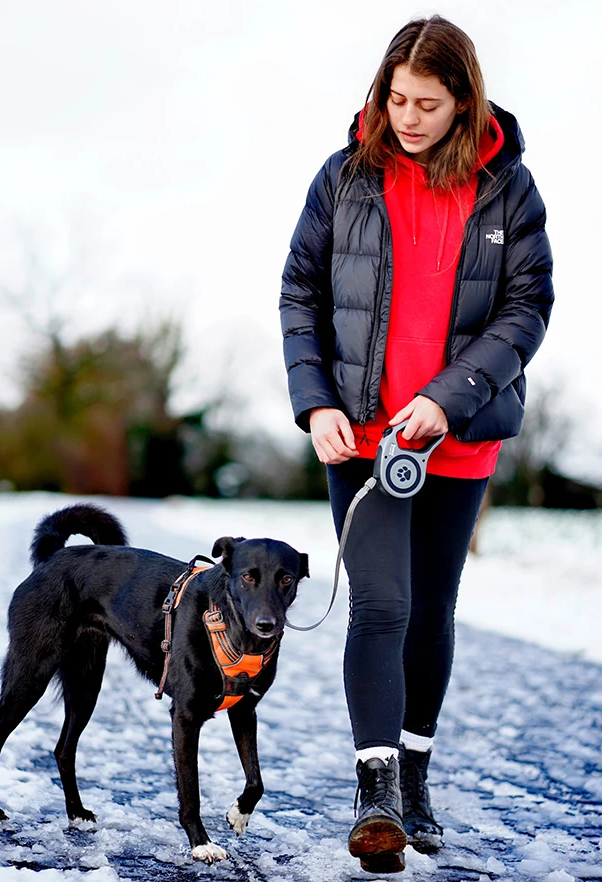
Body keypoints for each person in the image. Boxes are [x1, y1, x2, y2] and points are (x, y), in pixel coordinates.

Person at [279, 15, 553, 873]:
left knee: (432, 610)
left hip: (458, 439)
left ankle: (417, 773)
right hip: (359, 439)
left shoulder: (510, 188)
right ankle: (378, 797)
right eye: (396, 98)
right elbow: (300, 294)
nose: (407, 116)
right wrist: (315, 401)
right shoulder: (344, 178)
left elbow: (527, 309)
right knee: (382, 606)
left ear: (464, 100)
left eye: (427, 103)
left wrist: (448, 398)